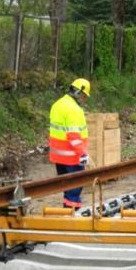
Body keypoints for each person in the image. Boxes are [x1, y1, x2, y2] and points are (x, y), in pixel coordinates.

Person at [49, 78, 90, 208]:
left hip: (58, 155)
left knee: (66, 186)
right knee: (75, 188)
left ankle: (67, 211)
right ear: (79, 93)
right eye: (84, 96)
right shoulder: (74, 110)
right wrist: (83, 154)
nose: (84, 99)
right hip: (72, 157)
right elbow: (74, 136)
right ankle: (72, 214)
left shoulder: (57, 105)